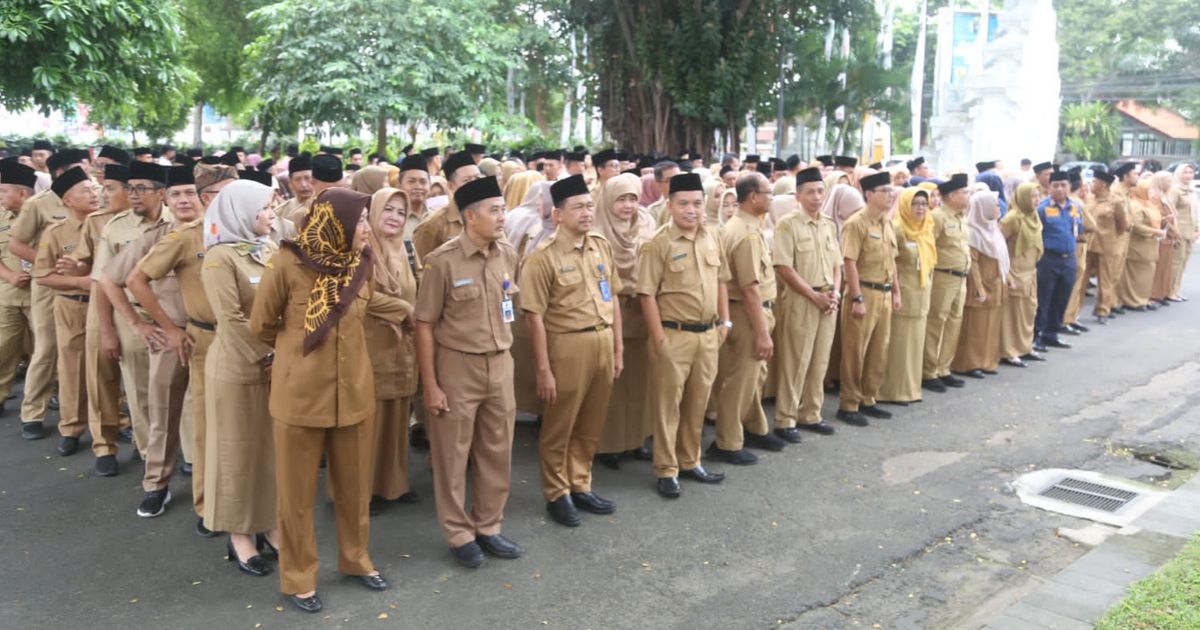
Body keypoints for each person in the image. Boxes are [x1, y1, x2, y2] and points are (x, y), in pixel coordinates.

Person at [251, 187, 409, 611]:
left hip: (354, 394)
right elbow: (262, 324)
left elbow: (373, 303)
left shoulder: (362, 262)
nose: (365, 228)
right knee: (297, 496)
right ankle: (299, 577)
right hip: (300, 397)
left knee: (355, 490)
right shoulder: (288, 262)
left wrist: (416, 312)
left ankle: (356, 560)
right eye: (358, 221)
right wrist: (292, 357)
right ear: (335, 223)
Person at [412, 176, 524, 569]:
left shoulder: (507, 254)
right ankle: (459, 533)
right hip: (458, 366)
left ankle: (489, 525)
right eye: (494, 210)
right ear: (470, 216)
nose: (502, 217)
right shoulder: (443, 261)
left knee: (497, 451)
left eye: (504, 209)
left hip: (500, 362)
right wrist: (431, 385)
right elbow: (423, 323)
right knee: (453, 455)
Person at [129, 161, 233, 535]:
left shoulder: (224, 233)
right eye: (177, 194)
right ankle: (156, 485)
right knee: (164, 414)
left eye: (190, 192)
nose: (184, 199)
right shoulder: (156, 238)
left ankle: (216, 495)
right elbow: (115, 282)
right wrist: (154, 326)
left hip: (216, 338)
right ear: (166, 199)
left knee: (215, 420)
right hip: (173, 339)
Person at [519, 174, 623, 527]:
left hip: (602, 340)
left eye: (589, 205)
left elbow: (614, 298)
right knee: (559, 424)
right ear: (558, 214)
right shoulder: (542, 257)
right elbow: (533, 316)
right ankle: (556, 492)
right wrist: (544, 369)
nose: (586, 212)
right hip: (567, 345)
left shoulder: (600, 245)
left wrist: (618, 348)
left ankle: (580, 483)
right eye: (577, 207)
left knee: (591, 422)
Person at [199, 180, 280, 577]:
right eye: (265, 208)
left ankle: (268, 522)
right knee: (236, 453)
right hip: (236, 368)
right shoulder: (219, 259)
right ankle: (240, 535)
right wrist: (267, 353)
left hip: (274, 367)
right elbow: (230, 320)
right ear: (243, 213)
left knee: (268, 451)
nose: (272, 214)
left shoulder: (268, 249)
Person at [637, 172, 730, 498]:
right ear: (670, 205)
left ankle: (691, 461)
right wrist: (658, 338)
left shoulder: (712, 236)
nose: (691, 210)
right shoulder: (659, 243)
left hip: (708, 336)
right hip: (673, 336)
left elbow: (721, 280)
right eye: (684, 204)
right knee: (668, 406)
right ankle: (666, 469)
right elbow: (646, 293)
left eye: (697, 203)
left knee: (698, 403)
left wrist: (725, 323)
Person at [708, 171, 786, 465]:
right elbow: (749, 288)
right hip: (748, 312)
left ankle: (753, 427)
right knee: (740, 380)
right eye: (768, 193)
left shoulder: (746, 225)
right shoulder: (746, 233)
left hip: (753, 310)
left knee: (755, 375)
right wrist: (762, 332)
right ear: (753, 197)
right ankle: (727, 442)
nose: (771, 198)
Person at [9, 150, 86, 445]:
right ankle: (32, 414)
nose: (88, 174)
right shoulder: (38, 205)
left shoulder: (94, 199)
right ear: (60, 172)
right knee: (47, 348)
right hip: (50, 287)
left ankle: (99, 417)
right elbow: (16, 244)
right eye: (80, 168)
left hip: (85, 285)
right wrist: (48, 265)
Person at [31, 167, 95, 458]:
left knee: (111, 366)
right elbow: (43, 276)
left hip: (107, 304)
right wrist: (78, 281)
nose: (94, 194)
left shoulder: (108, 225)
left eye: (95, 189)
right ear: (68, 200)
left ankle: (118, 422)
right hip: (72, 305)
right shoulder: (55, 233)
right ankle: (71, 428)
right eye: (85, 190)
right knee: (72, 369)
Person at [593, 173, 657, 468]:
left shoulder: (646, 223)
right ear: (608, 201)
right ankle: (608, 445)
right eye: (621, 199)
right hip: (610, 312)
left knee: (639, 382)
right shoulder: (596, 230)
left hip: (641, 312)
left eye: (633, 198)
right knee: (612, 384)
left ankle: (634, 439)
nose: (629, 205)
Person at [772, 167, 841, 434]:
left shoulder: (828, 224)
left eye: (820, 191)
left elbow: (837, 264)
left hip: (828, 299)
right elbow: (783, 267)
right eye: (810, 192)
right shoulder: (788, 224)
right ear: (798, 196)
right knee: (795, 361)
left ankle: (811, 414)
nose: (816, 197)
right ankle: (785, 419)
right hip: (803, 299)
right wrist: (814, 296)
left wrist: (835, 292)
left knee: (820, 360)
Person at [364, 188, 419, 507]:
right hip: (373, 344)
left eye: (401, 212)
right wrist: (404, 310)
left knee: (399, 415)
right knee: (372, 420)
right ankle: (366, 489)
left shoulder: (406, 249)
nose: (395, 218)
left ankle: (394, 485)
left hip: (403, 346)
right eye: (388, 210)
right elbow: (363, 294)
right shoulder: (362, 249)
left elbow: (418, 285)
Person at [835, 171, 900, 426]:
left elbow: (891, 261)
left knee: (879, 349)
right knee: (855, 351)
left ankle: (868, 398)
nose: (890, 194)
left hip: (883, 292)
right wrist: (857, 298)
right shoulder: (856, 223)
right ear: (869, 194)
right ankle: (849, 403)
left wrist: (896, 291)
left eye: (891, 190)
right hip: (863, 291)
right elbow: (849, 262)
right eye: (885, 190)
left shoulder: (886, 222)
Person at [878, 187, 934, 403]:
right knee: (899, 345)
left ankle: (911, 389)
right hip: (903, 293)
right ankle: (891, 391)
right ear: (905, 204)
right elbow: (891, 263)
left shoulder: (927, 228)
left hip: (921, 293)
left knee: (915, 344)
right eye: (915, 203)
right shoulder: (898, 228)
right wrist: (895, 291)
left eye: (924, 204)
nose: (920, 208)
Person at [950, 190, 1010, 377]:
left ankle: (987, 361)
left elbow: (1002, 258)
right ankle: (969, 364)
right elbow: (973, 263)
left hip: (996, 281)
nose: (998, 208)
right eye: (994, 205)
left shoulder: (994, 229)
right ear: (983, 208)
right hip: (981, 284)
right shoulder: (973, 232)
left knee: (991, 326)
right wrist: (979, 287)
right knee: (975, 327)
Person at [921, 174, 971, 393]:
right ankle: (928, 371)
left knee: (953, 322)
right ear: (952, 195)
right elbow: (928, 247)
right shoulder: (938, 217)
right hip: (943, 276)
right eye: (964, 192)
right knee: (936, 322)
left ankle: (943, 368)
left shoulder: (961, 217)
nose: (968, 196)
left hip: (960, 277)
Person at [0, 160, 37, 429]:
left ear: (22, 193)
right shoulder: (1, 218)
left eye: (4, 191)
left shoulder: (46, 216)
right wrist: (10, 275)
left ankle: (46, 401)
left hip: (42, 296)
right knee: (3, 348)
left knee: (46, 353)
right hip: (9, 294)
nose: (0, 197)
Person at [1033, 171, 1083, 351]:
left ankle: (1051, 334)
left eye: (1064, 185)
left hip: (1068, 259)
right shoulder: (1042, 208)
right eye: (1056, 185)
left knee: (1062, 298)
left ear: (1070, 187)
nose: (1060, 189)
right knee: (1043, 299)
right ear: (1049, 187)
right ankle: (1036, 335)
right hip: (1048, 259)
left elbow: (1078, 229)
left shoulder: (1075, 207)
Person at [998, 183, 1044, 366]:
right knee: (1012, 315)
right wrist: (1007, 273)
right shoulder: (1012, 218)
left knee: (1028, 311)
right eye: (1033, 196)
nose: (1037, 200)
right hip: (1015, 272)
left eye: (1038, 196)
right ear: (1023, 197)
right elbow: (999, 246)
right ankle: (1009, 350)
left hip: (1030, 272)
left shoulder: (1034, 217)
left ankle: (1025, 347)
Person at [412, 151, 482, 262]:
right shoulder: (433, 225)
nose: (475, 185)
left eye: (478, 179)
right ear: (450, 186)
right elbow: (421, 269)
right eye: (467, 180)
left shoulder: (490, 217)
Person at [1116, 180, 1165, 311]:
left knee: (1146, 277)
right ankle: (1133, 301)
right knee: (1135, 276)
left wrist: (1165, 222)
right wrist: (1154, 231)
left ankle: (1142, 299)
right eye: (1150, 190)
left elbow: (1154, 221)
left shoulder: (1149, 205)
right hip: (1138, 246)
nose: (1152, 193)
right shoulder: (1135, 205)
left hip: (1150, 246)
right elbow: (1136, 226)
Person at [1087, 169, 1127, 324]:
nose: (1091, 184)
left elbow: (1123, 225)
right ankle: (1071, 314)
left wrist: (1109, 236)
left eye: (1094, 181)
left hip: (1106, 245)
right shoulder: (1090, 199)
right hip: (1088, 244)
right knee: (1080, 281)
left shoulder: (1115, 202)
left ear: (1103, 184)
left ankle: (1103, 310)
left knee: (1105, 279)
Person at [1149, 171, 1180, 305]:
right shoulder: (1155, 198)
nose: (1171, 183)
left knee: (1165, 268)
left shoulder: (1165, 196)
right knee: (1159, 268)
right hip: (1162, 237)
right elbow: (1158, 218)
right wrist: (1174, 231)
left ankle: (1162, 293)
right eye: (1168, 181)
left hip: (1169, 237)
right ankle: (1154, 294)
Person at [1166, 164, 1195, 301]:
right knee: (1176, 263)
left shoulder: (1191, 190)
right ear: (1179, 174)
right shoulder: (1175, 190)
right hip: (1179, 231)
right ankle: (1170, 291)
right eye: (1185, 173)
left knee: (1183, 262)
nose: (1188, 175)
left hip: (1191, 232)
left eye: (1191, 172)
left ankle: (1176, 290)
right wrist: (1173, 231)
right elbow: (1170, 211)